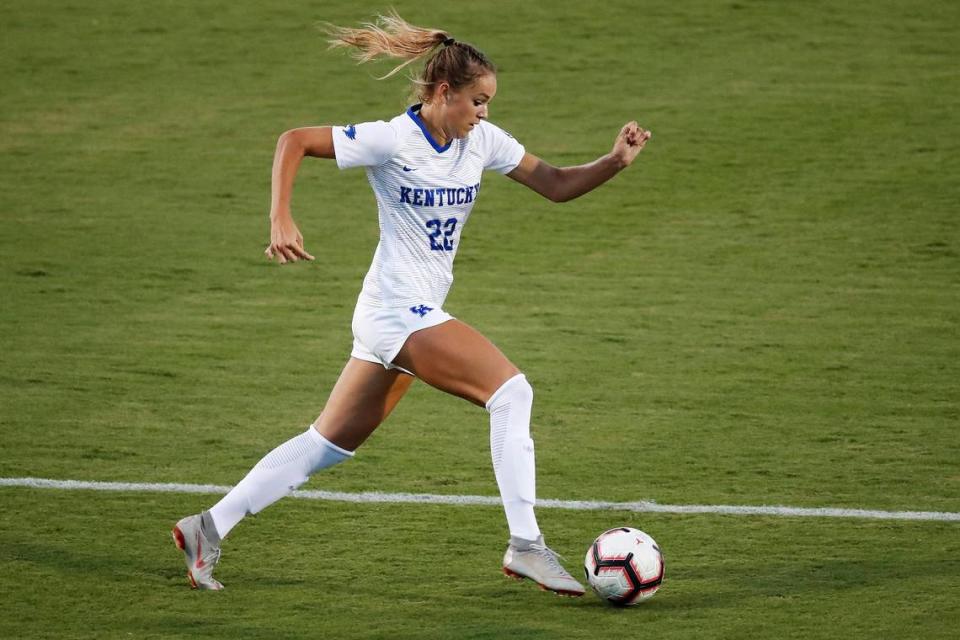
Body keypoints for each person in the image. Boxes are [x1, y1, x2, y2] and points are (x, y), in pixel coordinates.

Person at [172, 11, 651, 596]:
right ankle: (526, 546)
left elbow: (553, 184)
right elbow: (293, 141)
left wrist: (613, 163)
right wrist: (281, 216)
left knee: (327, 445)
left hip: (397, 315)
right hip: (398, 311)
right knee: (511, 391)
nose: (484, 113)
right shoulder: (392, 139)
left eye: (489, 103)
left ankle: (207, 528)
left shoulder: (483, 142)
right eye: (477, 100)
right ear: (444, 93)